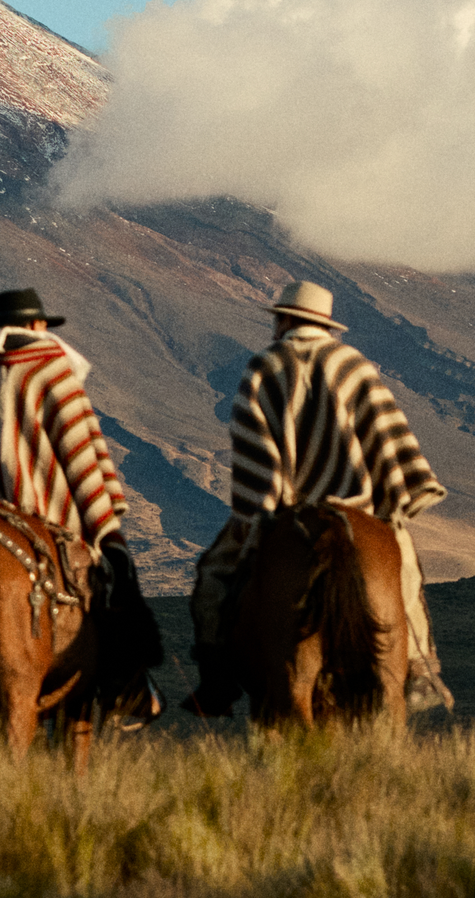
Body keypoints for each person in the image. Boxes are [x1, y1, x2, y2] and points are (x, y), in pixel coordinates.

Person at [186, 280, 451, 714]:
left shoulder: (266, 366)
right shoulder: (354, 366)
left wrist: (261, 508)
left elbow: (252, 442)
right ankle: (421, 669)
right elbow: (385, 434)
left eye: (278, 319)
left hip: (287, 511)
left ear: (287, 319)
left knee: (214, 575)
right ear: (325, 324)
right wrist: (389, 501)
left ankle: (215, 680)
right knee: (406, 578)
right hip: (359, 506)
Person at [0, 286, 161, 721]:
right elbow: (80, 455)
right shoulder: (54, 370)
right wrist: (104, 522)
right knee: (116, 577)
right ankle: (127, 685)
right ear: (38, 326)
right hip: (45, 512)